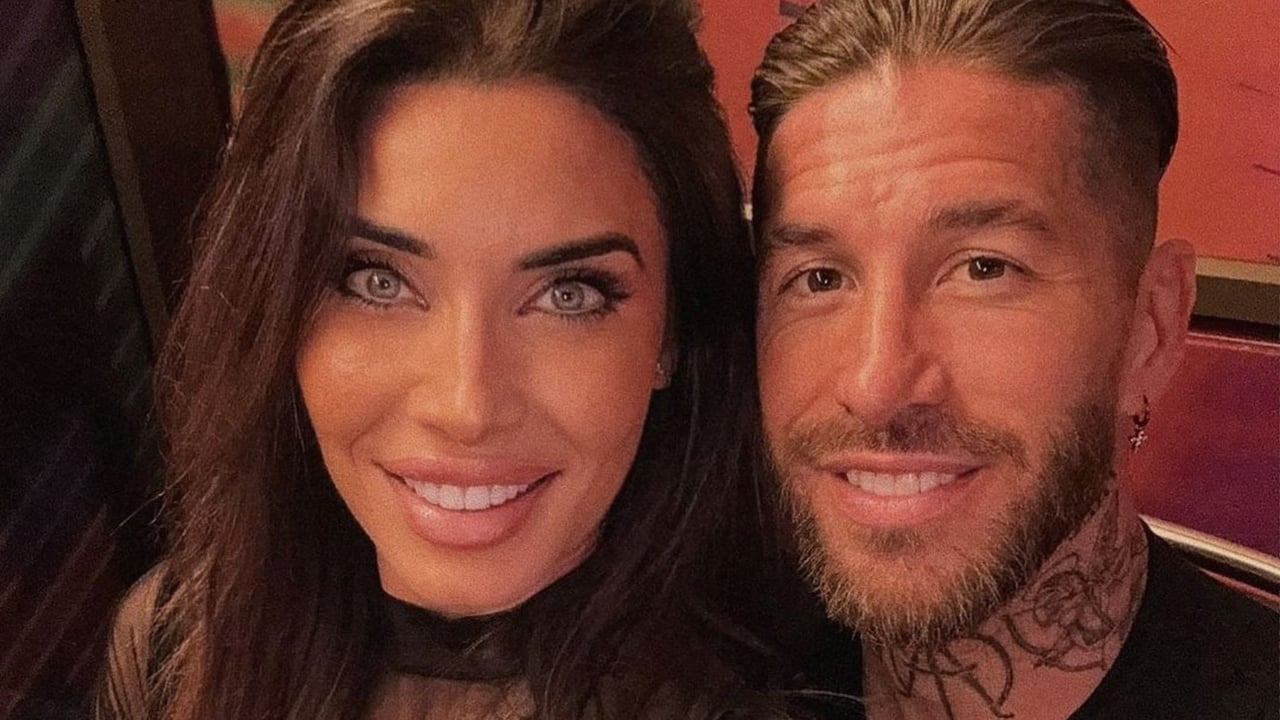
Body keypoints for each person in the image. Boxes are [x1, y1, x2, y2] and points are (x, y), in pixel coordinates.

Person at [95, 0, 785, 717]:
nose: (467, 408)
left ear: (672, 331)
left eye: (568, 295)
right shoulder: (176, 642)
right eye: (377, 282)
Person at [750, 1, 1280, 718]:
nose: (877, 385)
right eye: (820, 279)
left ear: (1150, 328)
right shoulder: (693, 676)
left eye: (985, 269)